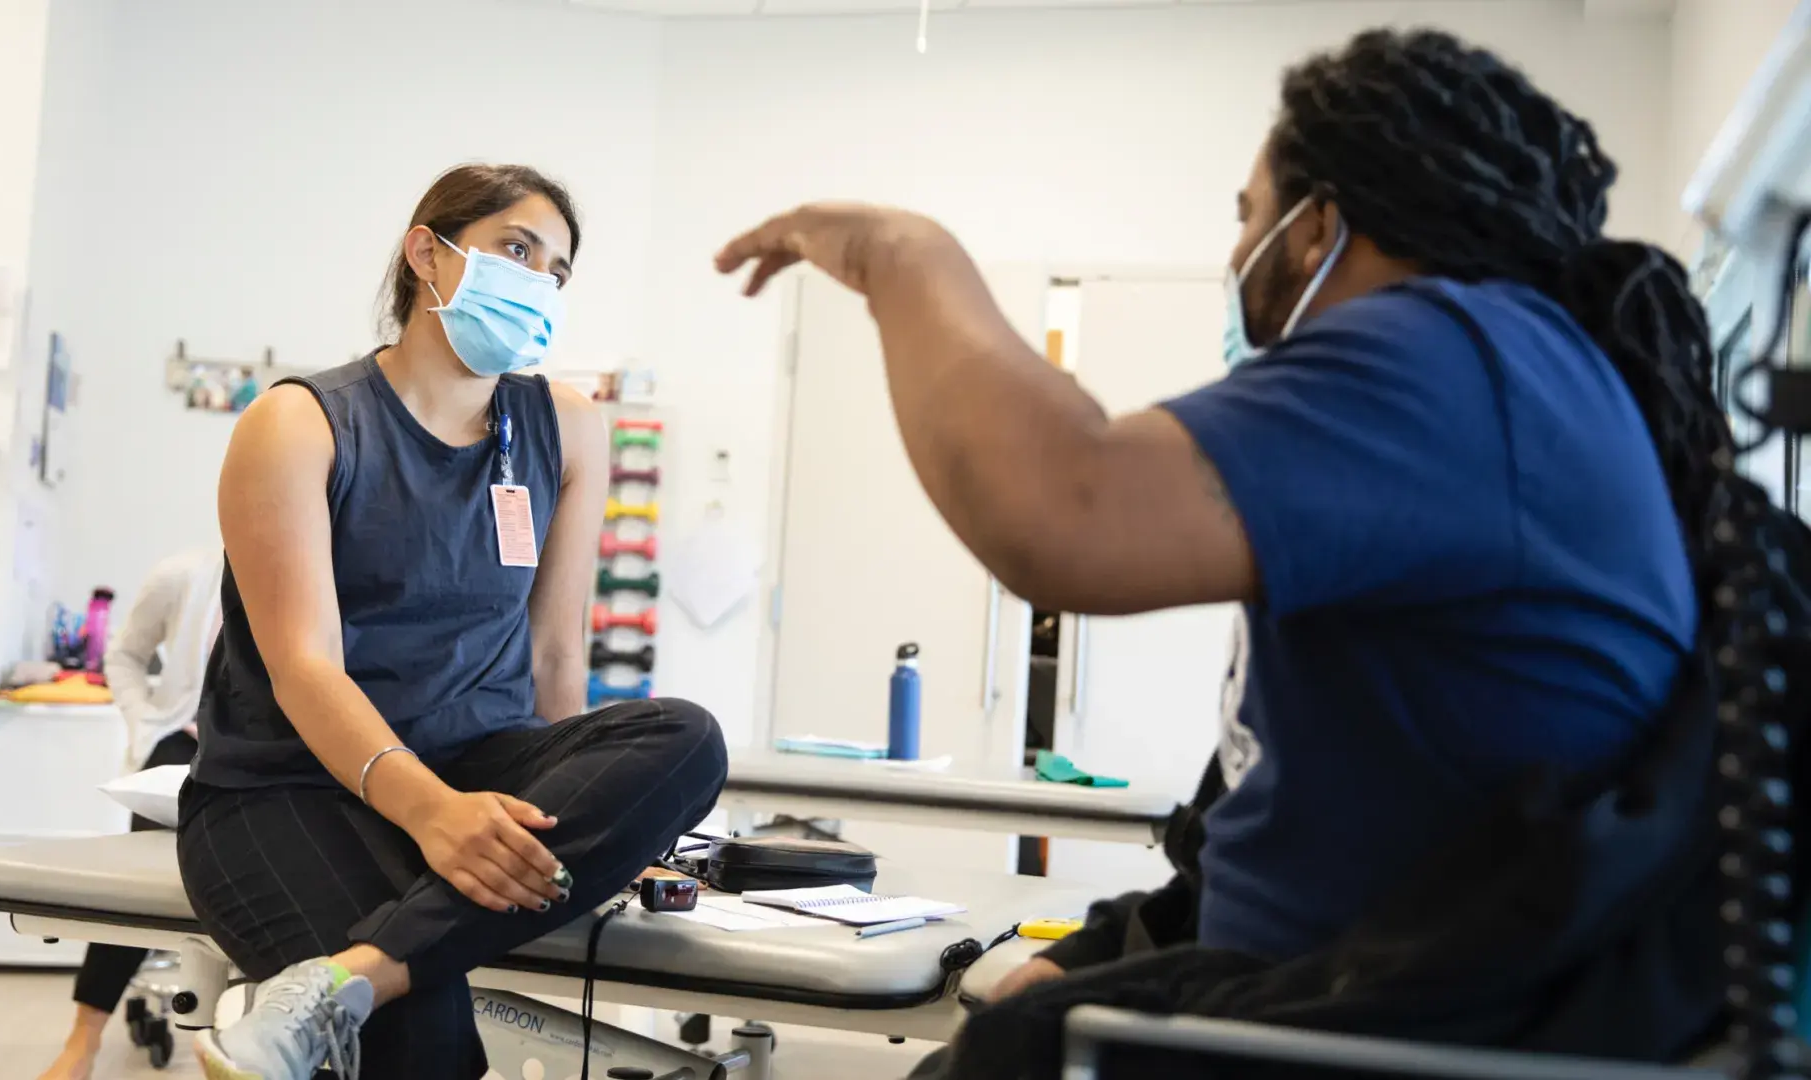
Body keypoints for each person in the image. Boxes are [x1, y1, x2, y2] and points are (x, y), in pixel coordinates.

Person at [717, 28, 1774, 1078]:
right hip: (1361, 983)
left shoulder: (1452, 354)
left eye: (1246, 219)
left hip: (1393, 1027)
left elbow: (1061, 509)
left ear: (1317, 230)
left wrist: (901, 254)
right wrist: (1120, 955)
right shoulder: (1521, 374)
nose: (1236, 257)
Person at [181, 164, 727, 1080]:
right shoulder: (300, 424)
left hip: (480, 765)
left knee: (687, 738)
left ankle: (339, 983)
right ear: (426, 253)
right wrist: (434, 815)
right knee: (419, 1037)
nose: (538, 282)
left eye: (555, 270)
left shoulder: (567, 426)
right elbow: (306, 669)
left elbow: (557, 653)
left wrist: (587, 827)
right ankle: (376, 984)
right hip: (287, 789)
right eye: (516, 248)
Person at [37, 546, 224, 1080]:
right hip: (182, 744)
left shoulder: (319, 573)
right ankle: (84, 1036)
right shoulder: (183, 576)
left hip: (270, 754)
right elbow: (124, 657)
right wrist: (149, 724)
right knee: (145, 872)